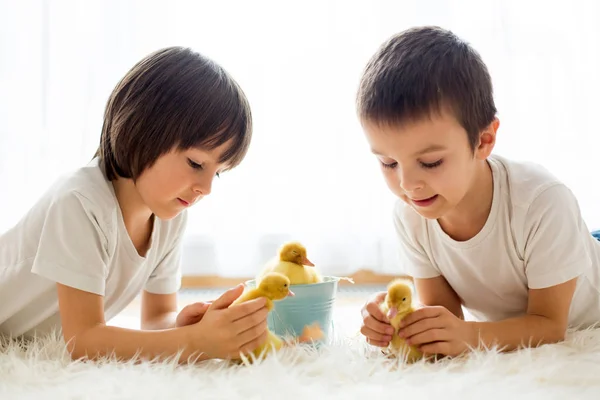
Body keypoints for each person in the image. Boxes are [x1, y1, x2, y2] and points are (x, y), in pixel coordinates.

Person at [0, 46, 270, 363]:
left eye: (219, 174)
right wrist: (193, 342)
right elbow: (83, 340)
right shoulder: (79, 203)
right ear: (143, 130)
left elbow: (157, 319)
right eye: (196, 164)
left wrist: (185, 327)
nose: (206, 188)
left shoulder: (170, 217)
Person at [356, 26, 600, 357]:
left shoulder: (542, 202)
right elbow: (446, 318)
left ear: (484, 141)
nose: (408, 184)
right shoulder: (410, 215)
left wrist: (471, 336)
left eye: (430, 163)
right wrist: (397, 323)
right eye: (388, 163)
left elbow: (550, 324)